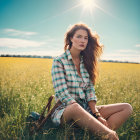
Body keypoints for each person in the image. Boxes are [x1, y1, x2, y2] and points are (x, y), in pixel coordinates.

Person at [51, 23, 133, 139]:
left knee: (126, 107)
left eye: (85, 38)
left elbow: (90, 91)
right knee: (75, 108)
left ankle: (97, 134)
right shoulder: (59, 61)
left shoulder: (86, 62)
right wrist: (83, 112)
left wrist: (96, 114)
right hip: (66, 111)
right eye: (79, 36)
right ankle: (109, 135)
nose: (83, 40)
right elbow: (62, 93)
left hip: (86, 109)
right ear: (71, 38)